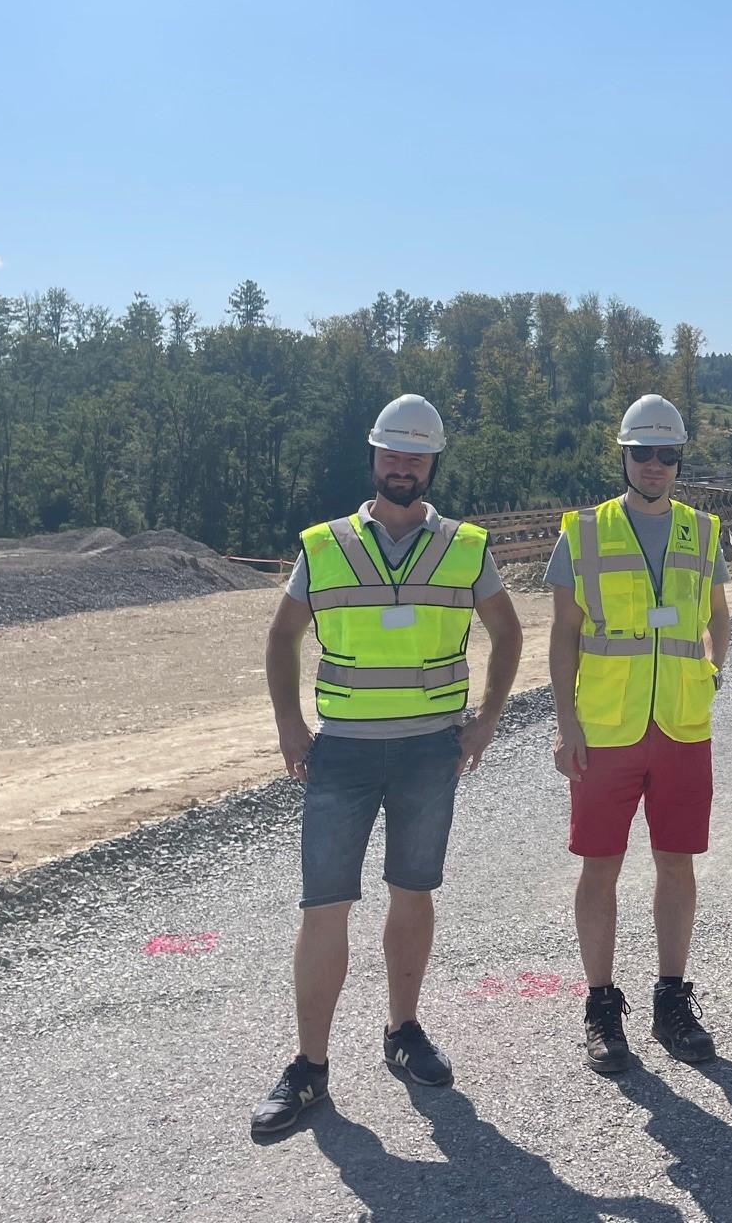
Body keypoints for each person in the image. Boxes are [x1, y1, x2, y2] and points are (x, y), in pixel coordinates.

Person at [251, 393, 524, 1136]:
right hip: (342, 751)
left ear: (432, 463)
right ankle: (309, 1068)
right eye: (393, 453)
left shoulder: (465, 546)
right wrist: (289, 724)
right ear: (374, 457)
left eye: (417, 456)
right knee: (324, 906)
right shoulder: (325, 545)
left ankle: (403, 1031)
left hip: (430, 751)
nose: (403, 466)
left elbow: (508, 633)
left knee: (412, 893)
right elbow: (282, 637)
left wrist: (487, 720)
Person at [547, 394, 732, 1074]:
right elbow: (563, 634)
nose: (655, 465)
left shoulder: (703, 531)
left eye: (667, 454)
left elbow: (718, 614)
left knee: (676, 863)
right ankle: (601, 1006)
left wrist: (712, 671)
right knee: (600, 867)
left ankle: (671, 1000)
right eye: (643, 453)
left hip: (681, 726)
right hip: (606, 729)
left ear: (680, 459)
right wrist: (567, 725)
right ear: (623, 456)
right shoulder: (584, 532)